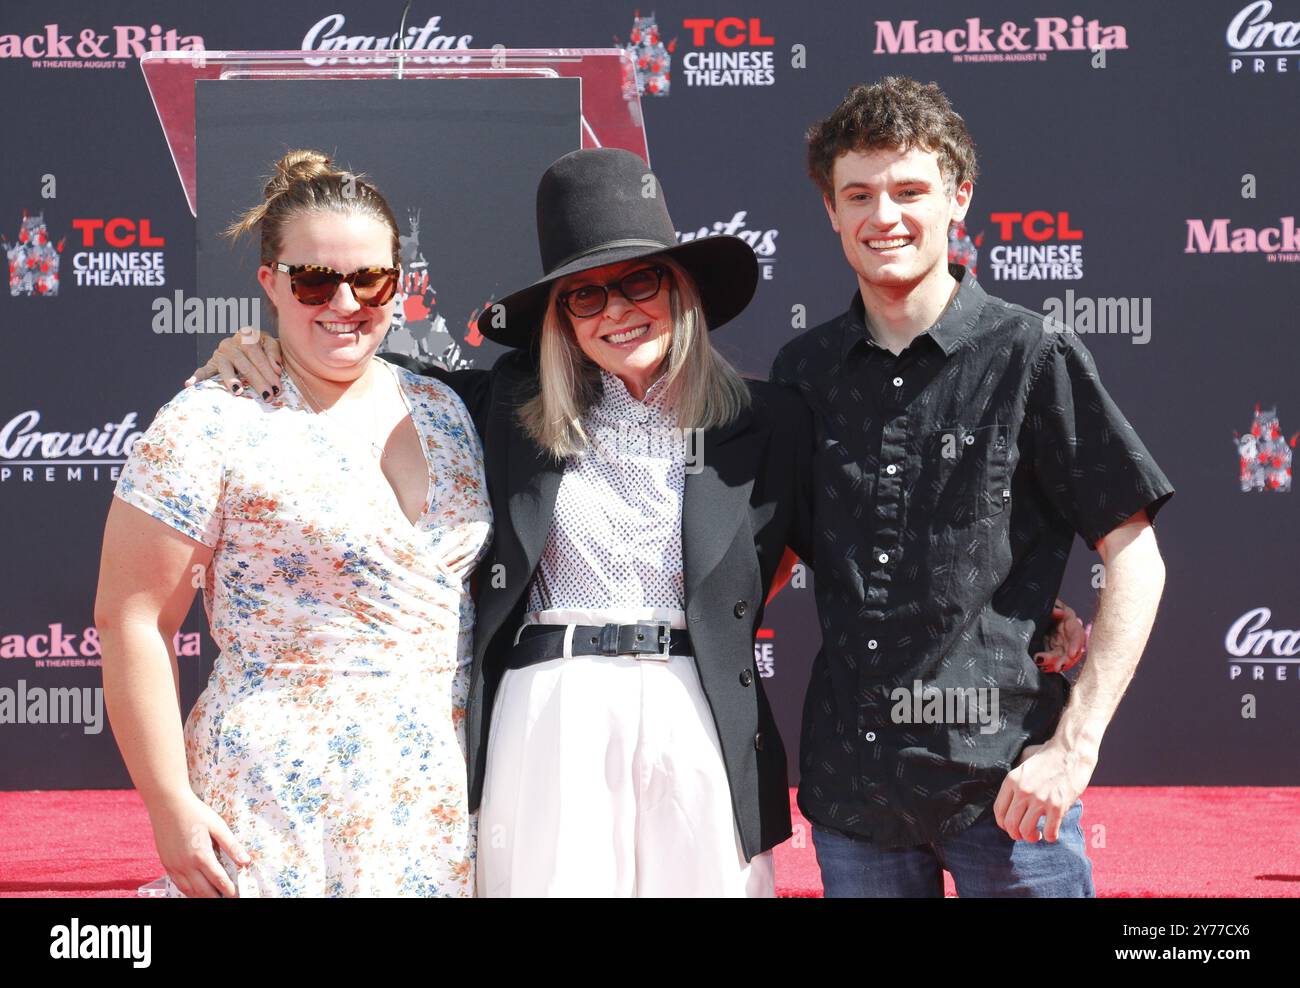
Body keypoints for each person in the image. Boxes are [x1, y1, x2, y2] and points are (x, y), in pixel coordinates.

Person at [192, 148, 1086, 897]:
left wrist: (1019, 614)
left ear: (680, 288)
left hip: (698, 709)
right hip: (548, 709)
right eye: (587, 296)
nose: (618, 311)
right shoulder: (495, 407)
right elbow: (348, 358)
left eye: (639, 283)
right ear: (559, 316)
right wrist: (255, 345)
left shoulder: (768, 419)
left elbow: (867, 548)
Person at [770, 77, 1173, 897]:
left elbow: (1137, 556)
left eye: (910, 190)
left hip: (1006, 795)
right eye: (860, 194)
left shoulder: (1031, 355)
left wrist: (1075, 745)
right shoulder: (803, 373)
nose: (885, 216)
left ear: (959, 198)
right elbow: (776, 558)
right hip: (856, 797)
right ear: (831, 210)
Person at [96, 150, 492, 897]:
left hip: (434, 796)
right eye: (314, 279)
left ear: (399, 284)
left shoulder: (450, 410)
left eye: (369, 279)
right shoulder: (210, 421)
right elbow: (131, 620)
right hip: (275, 796)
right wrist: (169, 802)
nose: (344, 301)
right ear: (270, 283)